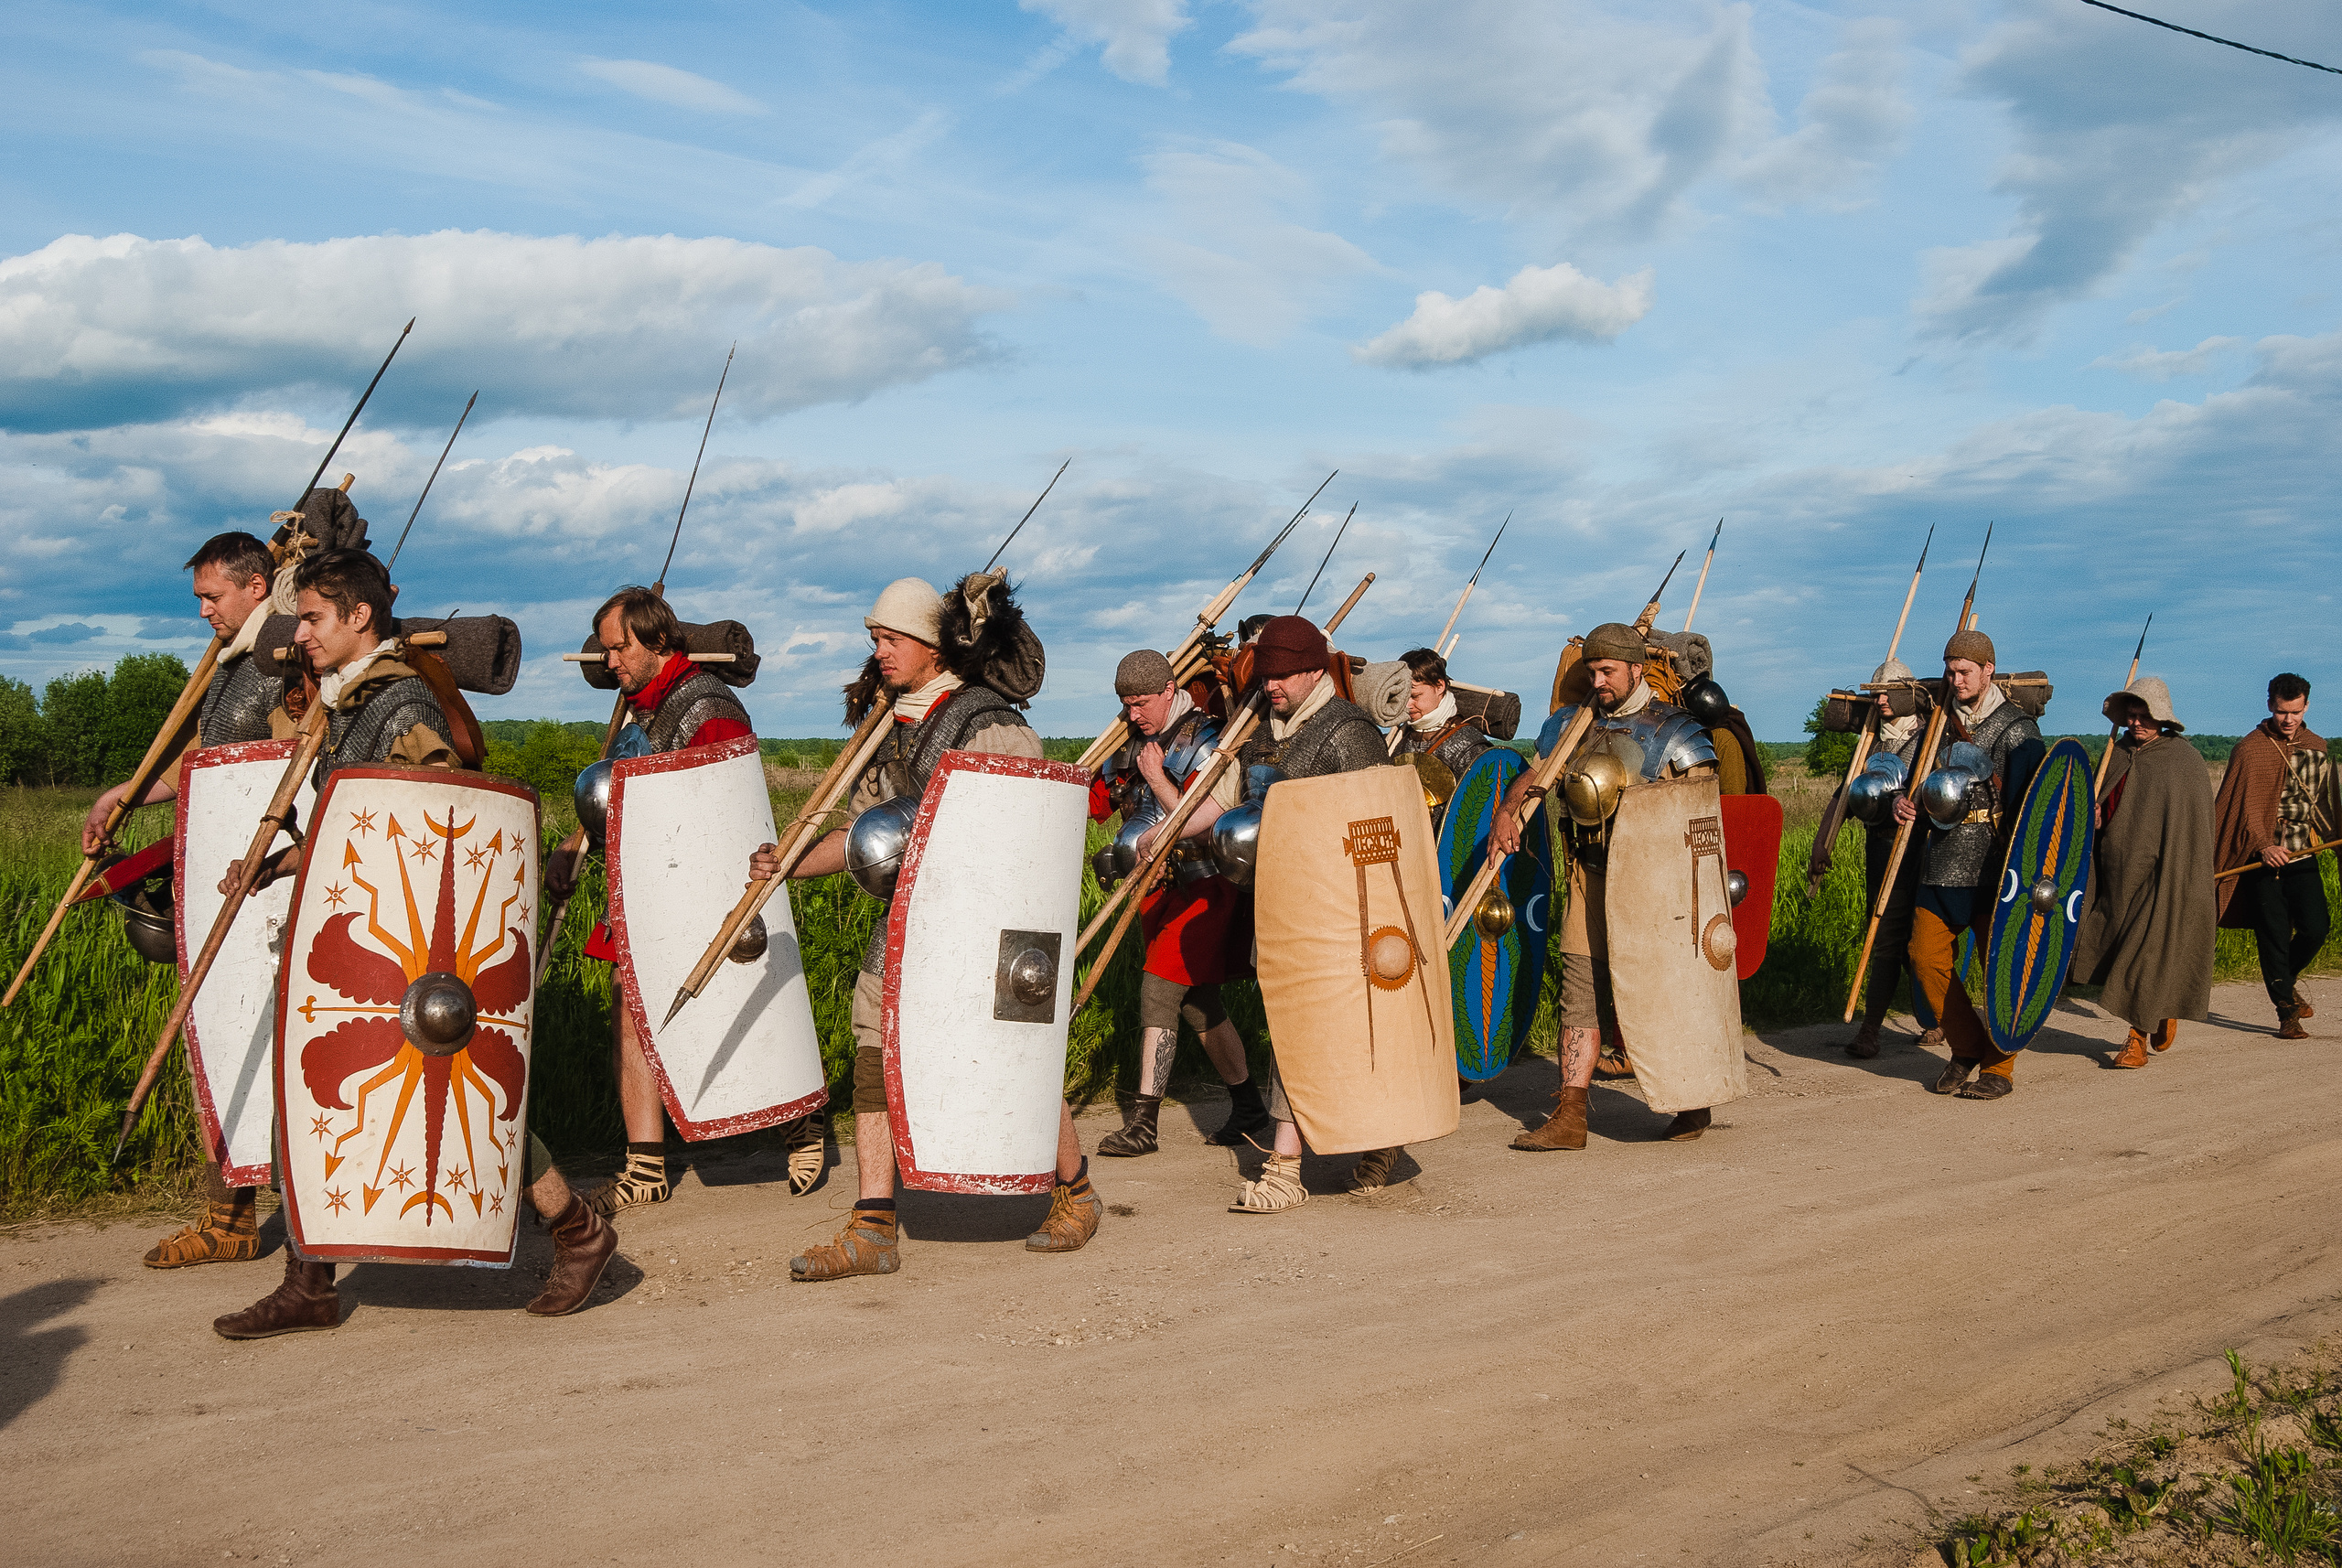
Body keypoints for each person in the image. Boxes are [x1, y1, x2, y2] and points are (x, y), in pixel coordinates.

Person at [211, 550, 617, 1337]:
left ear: (360, 616)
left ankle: (576, 1228)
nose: (299, 635)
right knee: (310, 1090)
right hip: (355, 943)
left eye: (314, 618)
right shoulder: (347, 704)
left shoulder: (399, 706)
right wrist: (278, 860)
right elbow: (358, 832)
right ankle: (311, 1280)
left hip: (400, 954)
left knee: (451, 1100)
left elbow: (438, 825)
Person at [748, 576, 1101, 1280]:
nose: (878, 653)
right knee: (875, 1042)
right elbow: (858, 829)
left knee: (1009, 1053)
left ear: (933, 645)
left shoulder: (986, 721)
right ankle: (873, 1226)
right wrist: (787, 863)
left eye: (891, 640)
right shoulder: (888, 722)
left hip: (981, 918)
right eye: (874, 640)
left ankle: (1078, 1191)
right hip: (907, 919)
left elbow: (1022, 830)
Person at [546, 586, 823, 1213]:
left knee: (732, 1003)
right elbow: (614, 798)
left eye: (619, 648)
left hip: (709, 886)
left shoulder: (708, 707)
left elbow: (726, 810)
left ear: (658, 643)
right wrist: (571, 845)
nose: (609, 660)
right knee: (630, 998)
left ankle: (796, 1119)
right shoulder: (638, 708)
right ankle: (645, 1166)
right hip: (649, 882)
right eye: (607, 649)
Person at [79, 532, 285, 1271]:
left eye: (212, 596)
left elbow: (297, 770)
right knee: (227, 1032)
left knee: (268, 1040)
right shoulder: (235, 664)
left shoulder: (289, 660)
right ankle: (229, 1215)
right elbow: (206, 755)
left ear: (257, 585)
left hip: (278, 888)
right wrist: (122, 797)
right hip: (237, 884)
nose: (203, 611)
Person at [1494, 621, 1723, 1150]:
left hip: (1655, 885)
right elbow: (1539, 773)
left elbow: (1700, 817)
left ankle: (1689, 1100)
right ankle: (1570, 1114)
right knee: (1579, 991)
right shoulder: (1570, 726)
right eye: (1592, 671)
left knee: (1662, 993)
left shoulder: (1675, 731)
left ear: (1636, 670)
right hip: (1588, 873)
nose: (1598, 681)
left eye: (1607, 671)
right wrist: (1511, 810)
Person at [1226, 615, 1403, 1211]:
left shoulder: (1349, 733)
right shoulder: (1262, 732)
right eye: (1266, 675)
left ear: (1313, 670)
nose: (1269, 685)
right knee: (1296, 1032)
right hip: (1277, 903)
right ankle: (1369, 1138)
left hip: (1337, 910)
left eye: (1280, 676)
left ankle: (1289, 1166)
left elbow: (1379, 831)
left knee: (1336, 1033)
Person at [1091, 649, 1269, 1158]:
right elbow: (1095, 801)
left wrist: (1156, 777)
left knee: (1158, 991)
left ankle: (1144, 1122)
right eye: (1126, 704)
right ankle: (1250, 1107)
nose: (1133, 714)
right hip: (1154, 889)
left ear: (1170, 691)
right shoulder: (1129, 741)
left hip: (1203, 886)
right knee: (1198, 1004)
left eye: (1142, 702)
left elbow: (1208, 819)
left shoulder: (1208, 739)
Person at [1892, 629, 2044, 1101]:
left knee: (1999, 967)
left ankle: (1999, 1066)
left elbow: (2032, 810)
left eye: (1965, 672)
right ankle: (1966, 1045)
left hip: (1997, 869)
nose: (1956, 680)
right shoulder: (1936, 724)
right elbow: (1905, 770)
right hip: (1941, 861)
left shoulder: (2017, 731)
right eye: (1950, 671)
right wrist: (1901, 798)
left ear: (1988, 671)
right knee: (1923, 955)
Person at [2070, 678, 2216, 1067]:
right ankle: (2161, 1008)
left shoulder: (2183, 761)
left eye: (2144, 717)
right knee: (2120, 948)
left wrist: (2180, 876)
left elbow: (2192, 829)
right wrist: (2095, 813)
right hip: (2117, 873)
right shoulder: (2117, 754)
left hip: (2163, 874)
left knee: (2145, 951)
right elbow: (2103, 804)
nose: (2136, 724)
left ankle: (2135, 1038)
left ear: (2162, 719)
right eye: (2131, 716)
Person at [2212, 673, 2338, 1039]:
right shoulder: (2250, 748)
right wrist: (2263, 844)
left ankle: (2287, 979)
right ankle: (2287, 1013)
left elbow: (2326, 802)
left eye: (2296, 712)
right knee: (2273, 934)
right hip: (2262, 860)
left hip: (2303, 852)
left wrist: (2335, 834)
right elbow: (2242, 808)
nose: (2289, 719)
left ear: (2306, 706)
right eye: (2283, 712)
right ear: (2270, 705)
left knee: (2317, 928)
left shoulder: (2318, 747)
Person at [1844, 659, 1925, 1060]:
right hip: (1879, 845)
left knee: (1918, 940)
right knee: (1886, 936)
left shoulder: (1931, 736)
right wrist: (1823, 843)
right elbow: (1848, 793)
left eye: (1888, 691)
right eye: (1875, 692)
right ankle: (1871, 1030)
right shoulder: (1872, 739)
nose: (1880, 699)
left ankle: (1935, 1016)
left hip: (1919, 850)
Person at [1391, 647, 1494, 829]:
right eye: (1403, 696)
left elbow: (1481, 815)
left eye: (1415, 696)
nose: (1407, 705)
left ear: (1439, 687)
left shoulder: (1467, 745)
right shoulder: (1396, 740)